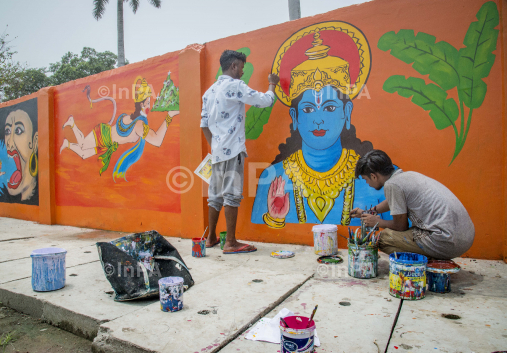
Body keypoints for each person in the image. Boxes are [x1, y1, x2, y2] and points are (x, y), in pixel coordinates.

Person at [251, 28, 389, 227]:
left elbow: (399, 230)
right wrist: (275, 218)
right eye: (307, 109)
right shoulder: (273, 177)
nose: (318, 120)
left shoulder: (376, 178)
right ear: (295, 117)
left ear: (347, 112)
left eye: (330, 107)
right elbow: (260, 236)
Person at [201, 50, 279, 253]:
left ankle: (210, 238)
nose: (243, 72)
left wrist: (214, 146)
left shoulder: (209, 92)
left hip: (217, 152)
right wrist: (272, 84)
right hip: (233, 149)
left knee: (214, 196)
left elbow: (203, 125)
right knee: (231, 196)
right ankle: (231, 242)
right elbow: (264, 101)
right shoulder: (235, 86)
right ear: (234, 65)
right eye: (242, 68)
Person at [350, 150, 475, 260]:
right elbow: (394, 201)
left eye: (366, 179)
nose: (367, 183)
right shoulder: (407, 176)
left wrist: (377, 222)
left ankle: (430, 263)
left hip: (446, 241)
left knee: (383, 239)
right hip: (464, 238)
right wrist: (370, 212)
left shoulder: (392, 185)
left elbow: (400, 226)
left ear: (374, 176)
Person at [60, 76, 178, 181]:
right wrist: (169, 116)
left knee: (84, 155)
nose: (149, 106)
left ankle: (67, 143)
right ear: (141, 105)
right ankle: (72, 123)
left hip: (107, 144)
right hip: (102, 134)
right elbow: (157, 141)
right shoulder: (138, 125)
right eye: (148, 103)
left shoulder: (130, 118)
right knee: (82, 145)